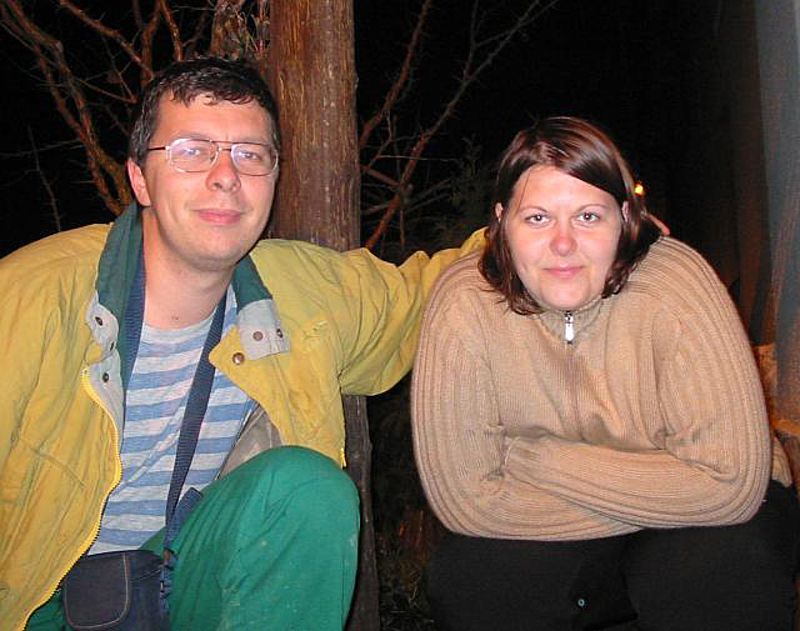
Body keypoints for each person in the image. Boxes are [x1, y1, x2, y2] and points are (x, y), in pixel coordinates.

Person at [0, 57, 481, 630]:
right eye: (192, 151)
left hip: (181, 579)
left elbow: (435, 292)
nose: (225, 176)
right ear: (139, 179)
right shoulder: (29, 299)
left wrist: (550, 225)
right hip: (41, 604)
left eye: (251, 155)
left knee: (304, 489)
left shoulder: (305, 293)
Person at [411, 116, 799, 630]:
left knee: (710, 569)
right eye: (537, 218)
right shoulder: (465, 304)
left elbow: (729, 486)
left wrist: (536, 459)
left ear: (625, 216)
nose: (563, 243)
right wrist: (659, 494)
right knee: (473, 579)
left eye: (588, 216)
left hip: (712, 523)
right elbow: (466, 501)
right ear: (500, 222)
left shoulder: (676, 285)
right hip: (605, 507)